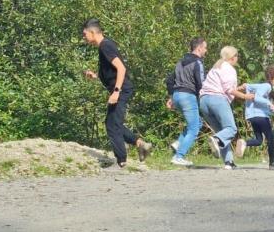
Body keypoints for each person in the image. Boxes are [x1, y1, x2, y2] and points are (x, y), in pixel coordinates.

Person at [81, 19, 152, 168]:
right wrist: (96, 75)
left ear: (92, 32)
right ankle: (140, 144)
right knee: (112, 123)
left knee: (113, 126)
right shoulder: (105, 45)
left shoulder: (105, 46)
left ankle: (121, 162)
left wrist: (116, 92)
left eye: (85, 34)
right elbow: (112, 71)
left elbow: (121, 68)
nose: (84, 37)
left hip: (121, 90)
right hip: (121, 89)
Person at [199, 46, 254, 170]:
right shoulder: (229, 68)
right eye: (237, 56)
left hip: (203, 101)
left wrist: (238, 88)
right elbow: (229, 90)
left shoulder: (216, 66)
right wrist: (245, 96)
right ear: (233, 57)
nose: (237, 58)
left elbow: (223, 87)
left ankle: (229, 162)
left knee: (223, 132)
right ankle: (216, 139)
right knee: (231, 129)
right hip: (217, 100)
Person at [166, 37, 207, 167]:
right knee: (194, 128)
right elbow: (201, 83)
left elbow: (169, 80)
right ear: (199, 48)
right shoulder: (198, 63)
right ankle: (179, 157)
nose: (206, 50)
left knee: (197, 123)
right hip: (188, 96)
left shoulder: (180, 62)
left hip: (177, 95)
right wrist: (205, 98)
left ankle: (178, 143)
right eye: (205, 48)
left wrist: (172, 97)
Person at [243, 65, 274, 168]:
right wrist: (269, 103)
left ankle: (244, 143)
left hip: (253, 116)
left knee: (259, 140)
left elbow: (247, 86)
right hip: (260, 116)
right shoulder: (267, 86)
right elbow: (257, 98)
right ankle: (272, 163)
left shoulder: (262, 86)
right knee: (270, 137)